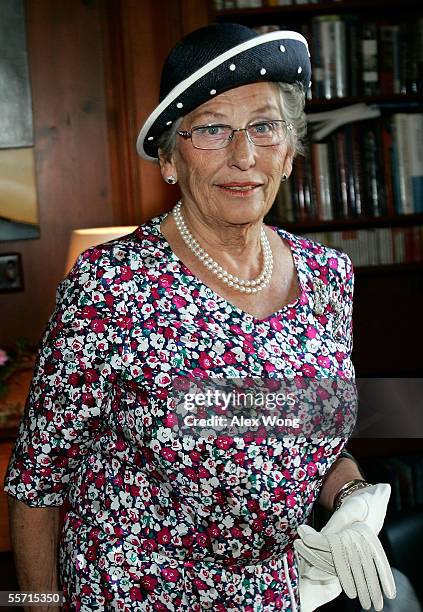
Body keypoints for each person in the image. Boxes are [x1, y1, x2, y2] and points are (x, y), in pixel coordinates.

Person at [5, 23, 395, 611]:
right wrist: (33, 609)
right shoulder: (109, 285)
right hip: (134, 595)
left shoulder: (327, 275)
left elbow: (318, 436)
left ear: (289, 152)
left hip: (274, 596)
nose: (244, 156)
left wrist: (353, 503)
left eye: (264, 127)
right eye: (212, 129)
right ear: (168, 158)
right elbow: (37, 484)